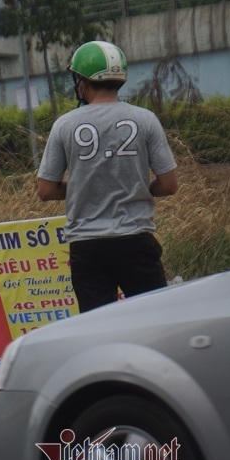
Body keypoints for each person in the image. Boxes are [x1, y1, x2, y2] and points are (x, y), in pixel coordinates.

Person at [38, 40, 178, 312]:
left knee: (98, 329)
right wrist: (139, 185)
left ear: (82, 81)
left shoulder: (64, 125)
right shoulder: (145, 120)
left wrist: (82, 185)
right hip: (136, 242)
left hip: (87, 248)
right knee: (156, 322)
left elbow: (45, 190)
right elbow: (169, 184)